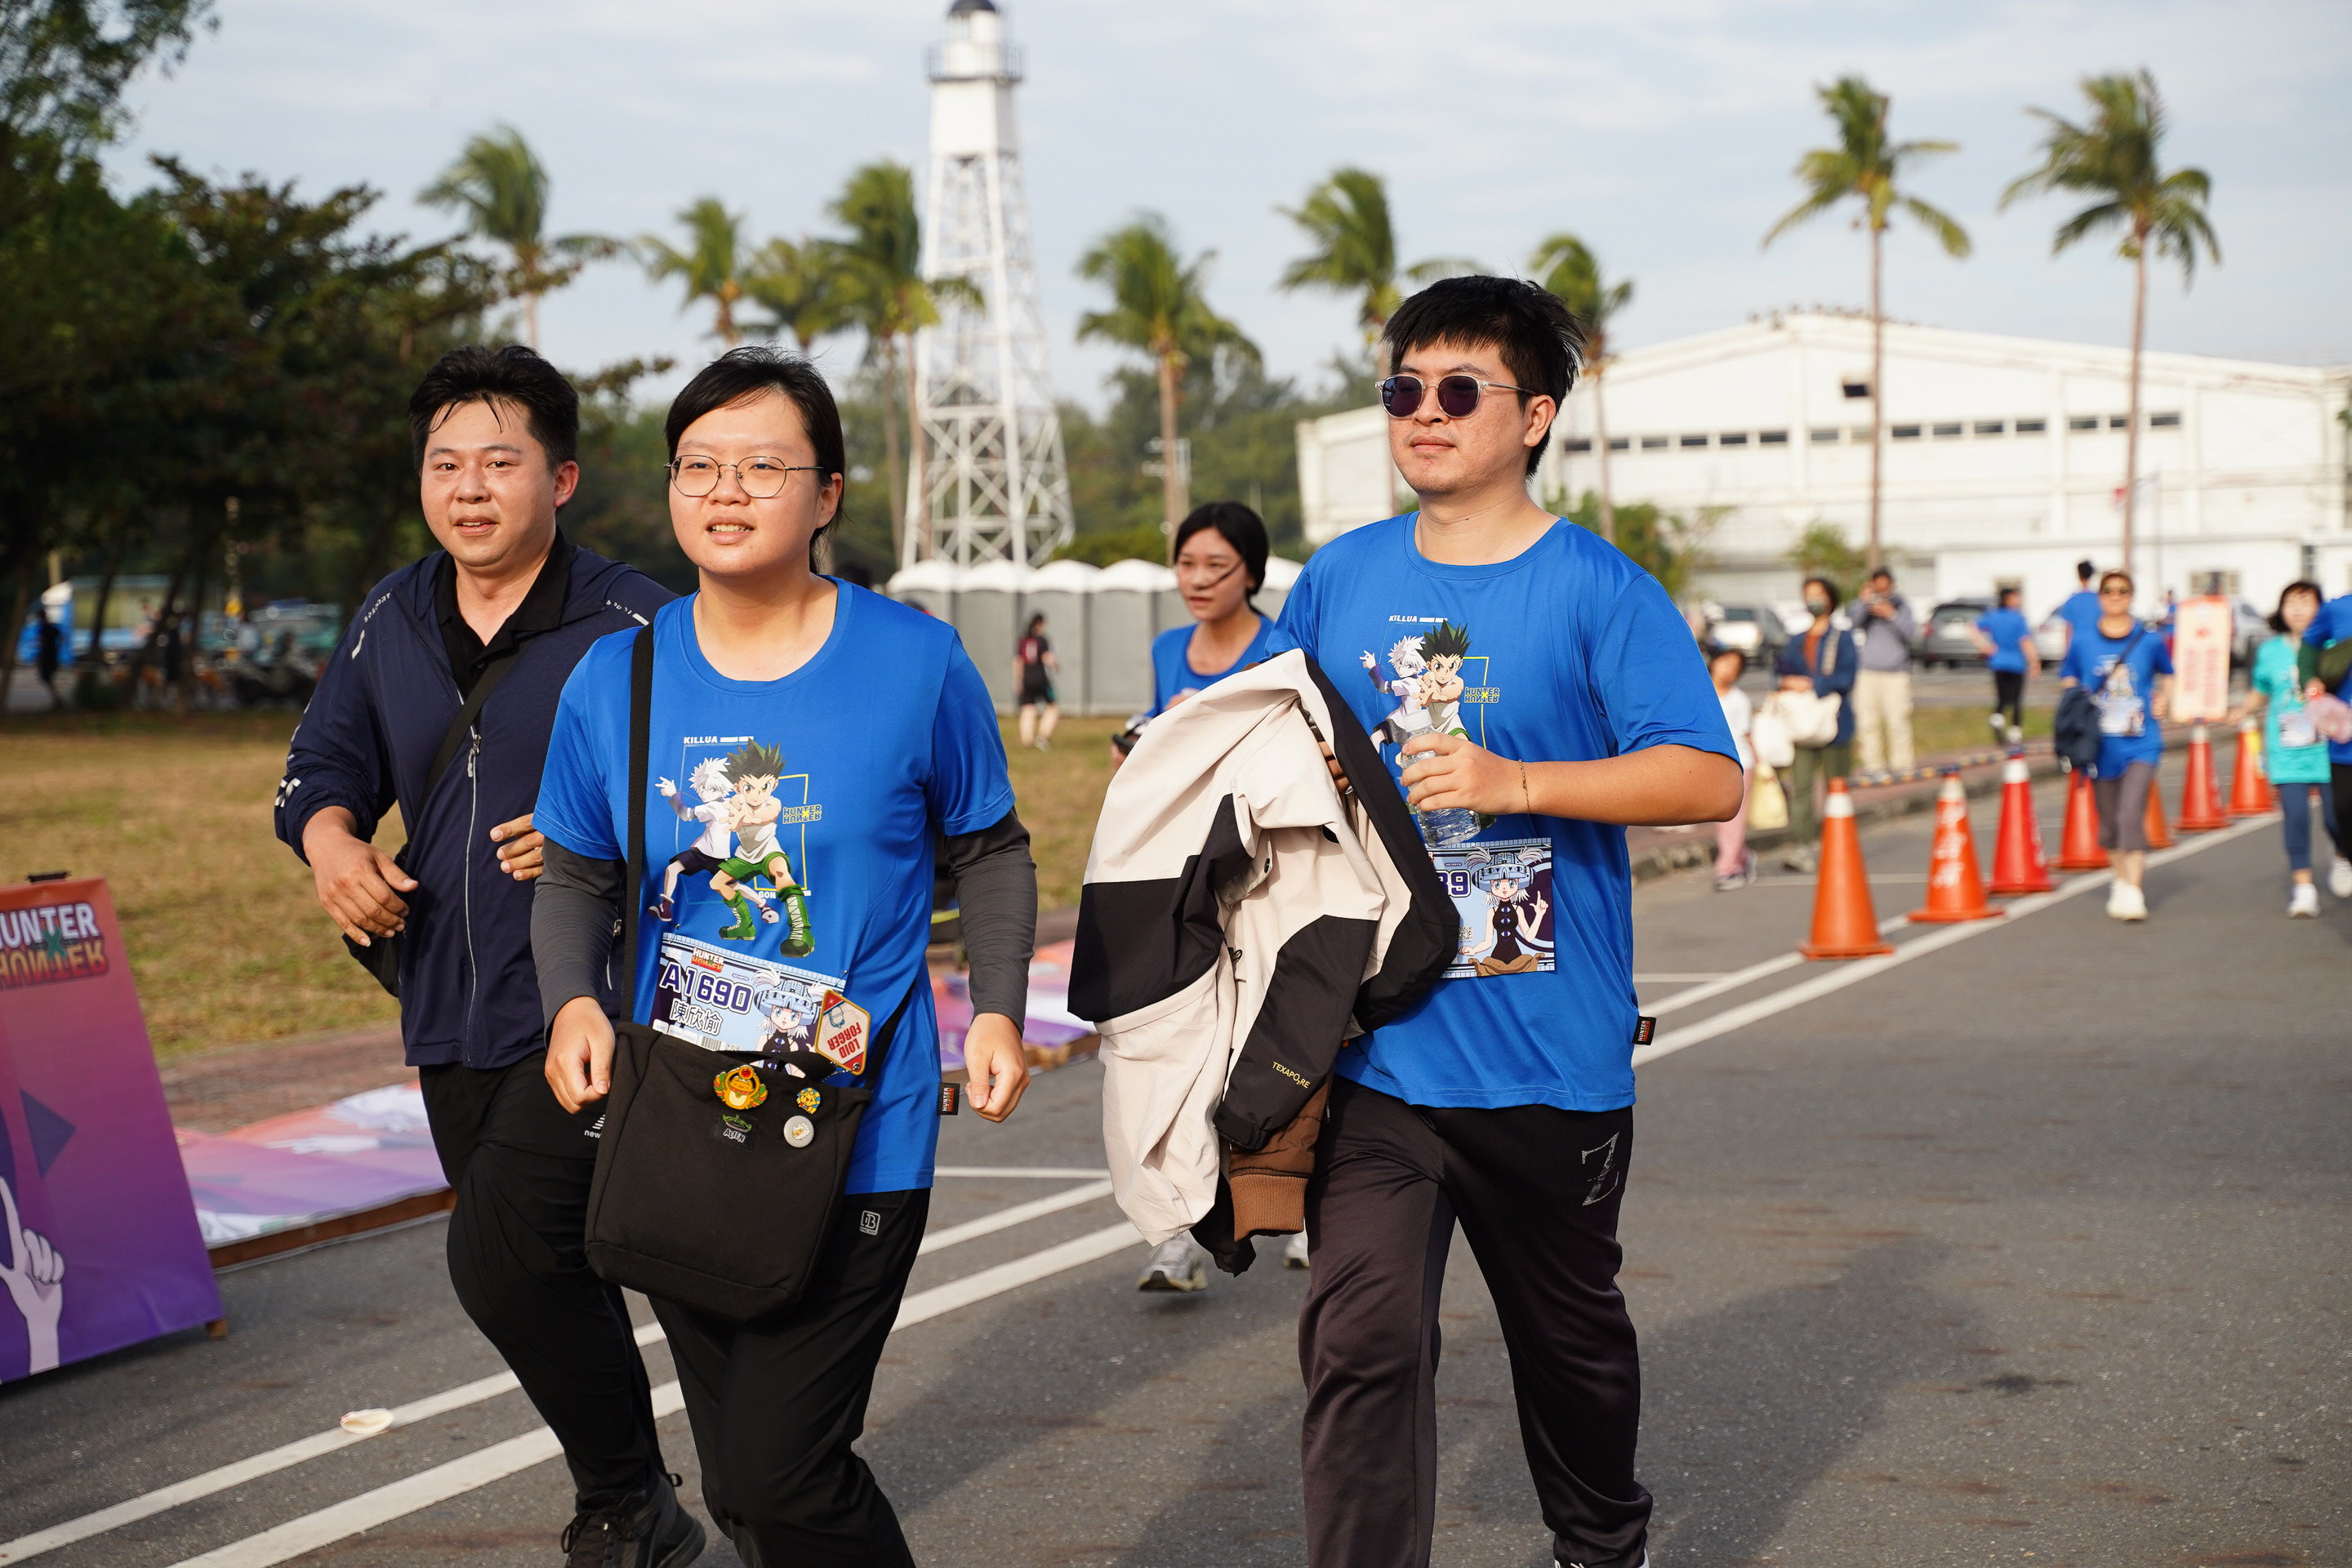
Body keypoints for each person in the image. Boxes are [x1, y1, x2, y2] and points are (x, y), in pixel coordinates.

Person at [531, 346, 1037, 1567]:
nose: (726, 491)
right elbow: (575, 873)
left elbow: (992, 851)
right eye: (698, 465)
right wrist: (570, 1005)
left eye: (763, 466)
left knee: (779, 1471)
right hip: (685, 1122)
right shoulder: (618, 677)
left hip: (857, 1125)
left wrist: (1000, 1011)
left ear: (826, 495)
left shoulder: (915, 662)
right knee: (748, 1492)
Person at [1267, 275, 1741, 1568]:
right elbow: (1271, 736)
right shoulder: (1341, 578)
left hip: (1546, 1059)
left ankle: (1600, 1541)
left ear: (1532, 417)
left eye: (1458, 389)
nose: (1423, 413)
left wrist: (1514, 781)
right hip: (1377, 1053)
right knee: (1359, 1344)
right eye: (1402, 389)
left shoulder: (1600, 590)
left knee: (1569, 1350)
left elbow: (1708, 779)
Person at [271, 345, 691, 1566]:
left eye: (499, 463)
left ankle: (651, 1490)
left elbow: (720, 791)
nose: (468, 488)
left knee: (501, 1254)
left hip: (598, 1000)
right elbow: (318, 768)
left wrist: (601, 832)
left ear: (561, 479)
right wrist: (332, 843)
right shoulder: (390, 615)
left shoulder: (641, 622)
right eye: (444, 464)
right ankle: (634, 1506)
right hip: (446, 1001)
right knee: (547, 1262)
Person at [1130, 501, 1287, 1289]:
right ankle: (1181, 1233)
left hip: (1267, 873)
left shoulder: (1281, 648)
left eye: (1216, 567)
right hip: (1183, 872)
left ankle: (1302, 1206)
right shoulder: (1167, 650)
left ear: (1251, 573)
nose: (1197, 580)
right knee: (1187, 1047)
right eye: (1186, 564)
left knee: (1274, 1041)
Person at [2057, 569, 2175, 922]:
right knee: (2109, 823)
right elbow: (2068, 677)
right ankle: (2120, 881)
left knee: (2130, 814)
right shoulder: (2083, 640)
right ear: (2100, 597)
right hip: (2099, 744)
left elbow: (2168, 673)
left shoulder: (2149, 639)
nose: (2115, 596)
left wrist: (2164, 699)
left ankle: (2134, 890)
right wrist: (2074, 705)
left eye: (2123, 590)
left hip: (2142, 742)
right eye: (2109, 590)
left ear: (2131, 596)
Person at [2239, 581, 2336, 916]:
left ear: (2320, 609)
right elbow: (2260, 690)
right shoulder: (2270, 651)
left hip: (2329, 749)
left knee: (2337, 817)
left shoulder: (2333, 647)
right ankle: (2303, 888)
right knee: (2295, 817)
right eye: (2291, 602)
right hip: (2287, 750)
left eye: (2306, 602)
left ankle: (2342, 855)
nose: (2297, 609)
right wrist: (2240, 710)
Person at [1773, 576, 1857, 873]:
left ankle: (1839, 846)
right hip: (1801, 724)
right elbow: (1780, 672)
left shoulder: (1842, 638)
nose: (1813, 600)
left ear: (1830, 598)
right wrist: (1786, 682)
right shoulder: (1797, 640)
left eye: (1818, 594)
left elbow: (1847, 677)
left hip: (1834, 721)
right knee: (1802, 788)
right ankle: (1803, 847)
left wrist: (1812, 685)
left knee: (1837, 788)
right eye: (1808, 594)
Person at [2297, 586, 2352, 898]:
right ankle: (2343, 853)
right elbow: (2309, 647)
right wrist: (2310, 679)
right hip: (2346, 735)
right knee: (2341, 811)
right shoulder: (2338, 608)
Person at [1850, 567, 1916, 777]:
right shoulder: (1865, 608)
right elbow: (1850, 623)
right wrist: (1864, 602)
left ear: (1892, 586)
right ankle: (1873, 766)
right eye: (1877, 589)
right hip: (1867, 673)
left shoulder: (1902, 606)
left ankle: (1903, 765)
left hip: (1896, 673)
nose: (1881, 594)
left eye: (1885, 589)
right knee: (1867, 722)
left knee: (1898, 721)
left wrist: (1891, 614)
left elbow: (1912, 634)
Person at [1709, 644, 1755, 889]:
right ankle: (1743, 856)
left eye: (1735, 667)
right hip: (1712, 765)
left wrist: (1762, 765)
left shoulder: (1740, 700)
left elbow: (1747, 734)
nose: (1729, 670)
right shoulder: (1701, 694)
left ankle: (1728, 869)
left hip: (1741, 763)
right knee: (1723, 820)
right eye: (1725, 662)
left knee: (1734, 819)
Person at [1971, 586, 2038, 742]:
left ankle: (1997, 717)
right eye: (2016, 597)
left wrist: (1983, 646)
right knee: (2016, 699)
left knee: (2002, 697)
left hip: (1998, 662)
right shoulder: (2018, 618)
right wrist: (2034, 661)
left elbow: (1971, 626)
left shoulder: (1993, 616)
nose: (2019, 600)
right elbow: (2025, 642)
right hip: (2016, 664)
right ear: (2008, 599)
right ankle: (2015, 730)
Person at [1015, 611, 1058, 750]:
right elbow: (1047, 658)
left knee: (1028, 708)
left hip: (1026, 678)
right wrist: (1056, 665)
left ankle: (1027, 740)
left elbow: (1018, 661)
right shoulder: (1042, 640)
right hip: (1041, 678)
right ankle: (1043, 736)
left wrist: (1018, 680)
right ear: (1040, 624)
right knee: (1052, 707)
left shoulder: (1023, 641)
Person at [2056, 559, 2100, 653]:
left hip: (2078, 646)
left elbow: (2068, 629)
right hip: (2097, 643)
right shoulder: (2100, 599)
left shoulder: (2072, 600)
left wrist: (2067, 652)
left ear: (2079, 575)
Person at [33, 604, 65, 710]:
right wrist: (57, 647)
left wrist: (40, 650)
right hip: (52, 654)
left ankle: (58, 699)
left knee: (46, 678)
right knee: (48, 678)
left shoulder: (44, 628)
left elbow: (41, 642)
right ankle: (57, 699)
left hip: (47, 655)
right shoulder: (52, 627)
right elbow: (62, 637)